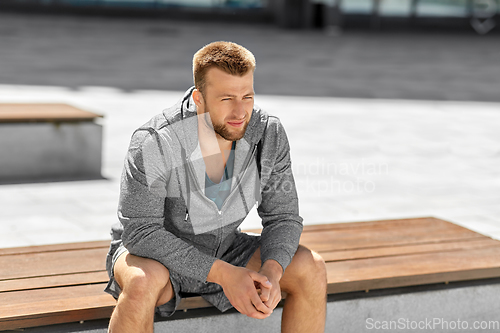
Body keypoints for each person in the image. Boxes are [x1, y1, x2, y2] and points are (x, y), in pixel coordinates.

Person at [105, 41, 327, 333]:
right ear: (199, 99)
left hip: (225, 249)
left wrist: (272, 271)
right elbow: (142, 233)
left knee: (310, 267)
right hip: (156, 257)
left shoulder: (267, 134)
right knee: (141, 282)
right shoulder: (156, 141)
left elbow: (283, 217)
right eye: (226, 99)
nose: (240, 112)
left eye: (247, 97)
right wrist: (224, 275)